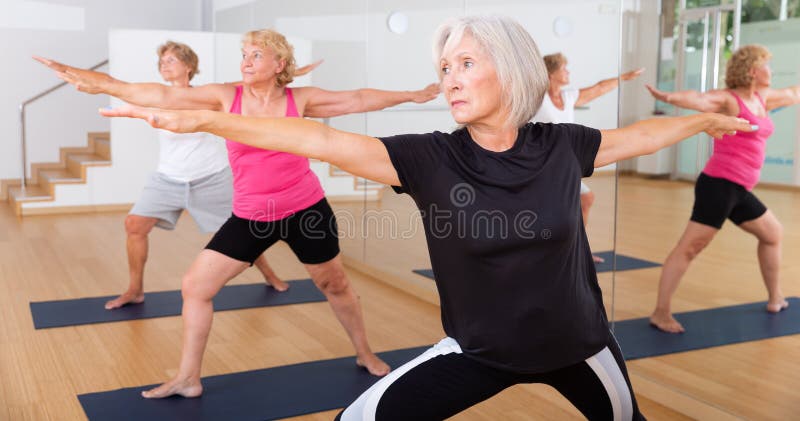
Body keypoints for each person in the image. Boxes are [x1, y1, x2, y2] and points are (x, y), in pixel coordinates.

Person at [99, 16, 753, 419]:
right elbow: (315, 140)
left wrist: (701, 120)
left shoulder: (564, 145)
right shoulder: (430, 158)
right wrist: (205, 117)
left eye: (466, 62)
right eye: (444, 67)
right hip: (477, 350)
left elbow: (638, 138)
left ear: (514, 70)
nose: (451, 78)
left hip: (580, 345)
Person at [36, 28, 440, 398]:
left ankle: (365, 352)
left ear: (279, 65)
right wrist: (100, 82)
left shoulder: (300, 100)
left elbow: (357, 99)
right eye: (244, 54)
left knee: (334, 284)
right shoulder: (224, 96)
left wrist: (412, 96)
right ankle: (188, 378)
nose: (246, 61)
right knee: (196, 286)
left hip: (306, 210)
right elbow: (160, 95)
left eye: (256, 54)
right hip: (251, 215)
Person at [101, 41, 292, 310]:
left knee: (243, 232)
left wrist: (273, 74)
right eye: (162, 62)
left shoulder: (206, 98)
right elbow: (128, 91)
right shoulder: (160, 97)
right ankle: (135, 290)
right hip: (168, 179)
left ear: (188, 67)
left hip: (211, 178)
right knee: (134, 225)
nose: (164, 65)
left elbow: (240, 88)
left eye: (171, 60)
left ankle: (269, 275)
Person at [645, 44, 799, 333]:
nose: (771, 71)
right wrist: (668, 96)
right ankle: (660, 312)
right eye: (767, 65)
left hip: (739, 188)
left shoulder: (763, 99)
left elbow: (793, 93)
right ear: (753, 70)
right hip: (718, 186)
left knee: (772, 233)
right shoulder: (729, 100)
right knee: (689, 248)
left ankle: (775, 297)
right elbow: (700, 99)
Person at [534, 52, 644, 263]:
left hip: (564, 164)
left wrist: (623, 78)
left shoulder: (567, 97)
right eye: (564, 69)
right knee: (556, 210)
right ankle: (556, 253)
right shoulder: (537, 99)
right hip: (544, 166)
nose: (568, 72)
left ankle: (578, 250)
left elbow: (598, 88)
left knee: (585, 199)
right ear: (551, 74)